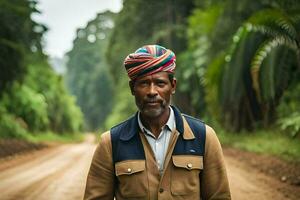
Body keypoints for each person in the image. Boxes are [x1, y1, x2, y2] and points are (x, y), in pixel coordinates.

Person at [84, 44, 231, 200]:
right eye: (144, 83)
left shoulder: (204, 137)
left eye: (160, 83)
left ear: (172, 86)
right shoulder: (111, 143)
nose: (152, 92)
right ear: (132, 88)